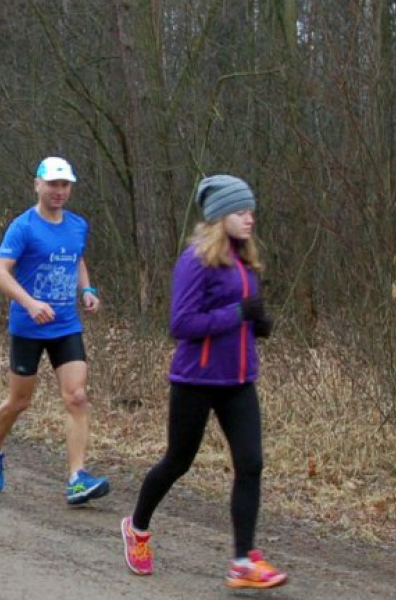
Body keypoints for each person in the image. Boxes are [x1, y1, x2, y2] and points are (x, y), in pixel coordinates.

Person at [120, 174, 286, 589]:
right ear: (218, 216)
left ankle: (243, 561)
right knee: (178, 461)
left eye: (251, 211)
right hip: (195, 379)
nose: (249, 219)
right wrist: (238, 314)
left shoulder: (247, 259)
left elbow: (244, 314)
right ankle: (137, 528)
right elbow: (181, 323)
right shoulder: (195, 260)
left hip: (239, 380)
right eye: (240, 212)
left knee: (251, 464)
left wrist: (258, 324)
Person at [0, 156, 110, 506]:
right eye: (52, 184)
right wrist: (30, 303)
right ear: (37, 184)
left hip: (66, 325)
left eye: (65, 185)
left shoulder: (78, 225)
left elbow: (76, 257)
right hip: (29, 327)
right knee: (20, 401)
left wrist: (87, 289)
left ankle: (77, 479)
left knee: (77, 397)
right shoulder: (23, 227)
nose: (59, 191)